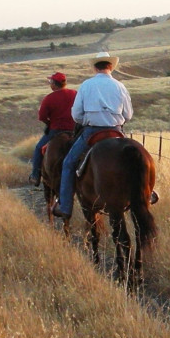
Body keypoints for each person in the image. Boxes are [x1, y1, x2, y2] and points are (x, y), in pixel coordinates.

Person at [51, 51, 133, 220]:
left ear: (95, 67)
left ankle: (65, 206)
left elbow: (77, 115)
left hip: (92, 131)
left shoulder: (86, 85)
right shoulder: (120, 86)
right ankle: (147, 193)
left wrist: (87, 119)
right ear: (111, 67)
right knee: (136, 158)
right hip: (116, 130)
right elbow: (128, 115)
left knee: (68, 163)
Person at [29, 72, 76, 187]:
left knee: (39, 148)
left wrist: (49, 124)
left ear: (55, 84)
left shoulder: (49, 98)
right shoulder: (75, 94)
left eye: (50, 82)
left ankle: (35, 175)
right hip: (75, 130)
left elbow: (42, 117)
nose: (50, 84)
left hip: (56, 130)